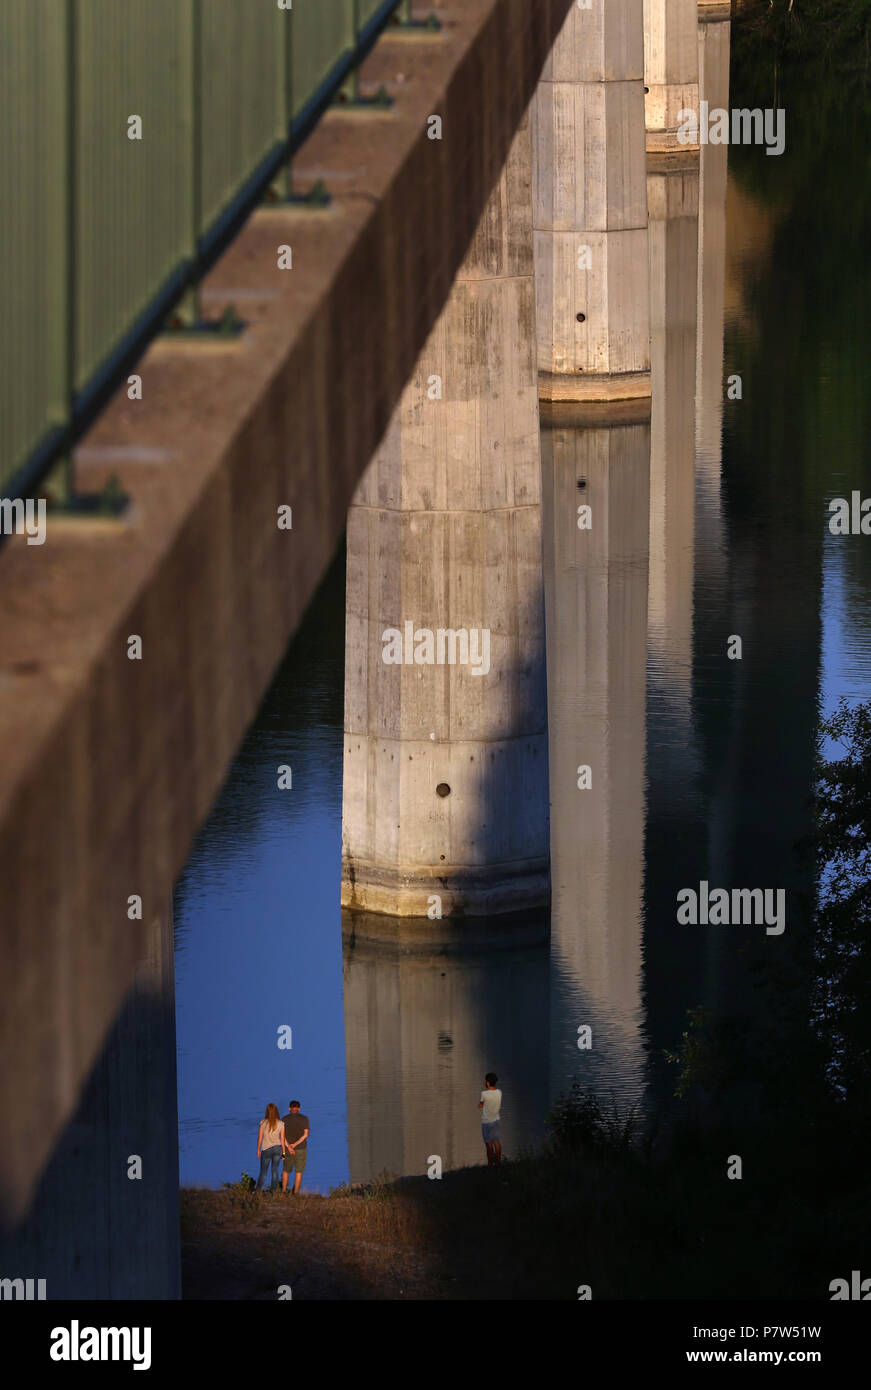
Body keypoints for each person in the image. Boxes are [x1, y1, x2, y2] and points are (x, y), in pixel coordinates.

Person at [281, 1100, 310, 1195]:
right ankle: (295, 1193)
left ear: (289, 1108)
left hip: (286, 1149)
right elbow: (306, 1135)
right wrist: (295, 1144)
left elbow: (281, 1136)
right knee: (299, 1171)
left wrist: (289, 1146)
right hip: (301, 1148)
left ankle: (284, 1191)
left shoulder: (284, 1119)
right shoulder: (304, 1119)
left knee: (285, 1170)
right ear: (299, 1108)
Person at [256, 1103, 285, 1192]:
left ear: (267, 1111)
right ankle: (273, 1192)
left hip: (266, 1149)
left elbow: (260, 1138)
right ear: (276, 1111)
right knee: (275, 1170)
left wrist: (258, 1149)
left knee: (263, 1172)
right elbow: (282, 1139)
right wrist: (284, 1153)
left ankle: (258, 1190)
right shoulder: (281, 1123)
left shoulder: (263, 1122)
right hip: (278, 1148)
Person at [477, 1072, 502, 1167]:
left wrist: (480, 1105)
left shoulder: (484, 1094)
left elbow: (480, 1105)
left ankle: (490, 1165)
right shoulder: (499, 1092)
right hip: (496, 1120)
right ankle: (498, 1163)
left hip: (486, 1122)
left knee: (488, 1144)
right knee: (496, 1142)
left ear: (487, 1083)